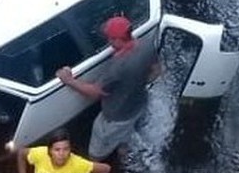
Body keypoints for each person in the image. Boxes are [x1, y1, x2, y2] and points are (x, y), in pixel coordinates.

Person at [55, 16, 162, 161]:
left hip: (115, 115)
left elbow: (94, 93)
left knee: (99, 142)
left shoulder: (117, 67)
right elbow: (156, 71)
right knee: (126, 129)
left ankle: (95, 162)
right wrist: (134, 84)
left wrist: (69, 80)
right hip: (138, 104)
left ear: (118, 40)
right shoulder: (146, 45)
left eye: (109, 38)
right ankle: (122, 148)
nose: (108, 41)